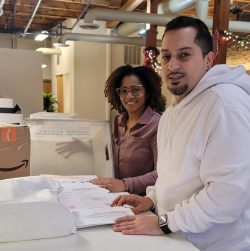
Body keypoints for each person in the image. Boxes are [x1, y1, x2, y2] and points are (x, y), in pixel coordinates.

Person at [111, 16, 250, 251]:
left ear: (208, 59)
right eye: (166, 56)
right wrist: (151, 199)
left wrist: (164, 223)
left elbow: (228, 196)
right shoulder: (174, 110)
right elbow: (171, 175)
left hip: (216, 245)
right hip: (179, 239)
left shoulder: (224, 104)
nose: (172, 66)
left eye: (184, 55)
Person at [90, 65, 163, 195]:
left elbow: (162, 173)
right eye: (124, 91)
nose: (129, 96)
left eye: (136, 90)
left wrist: (125, 184)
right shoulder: (118, 121)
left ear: (147, 93)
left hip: (143, 201)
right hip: (116, 196)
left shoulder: (157, 125)